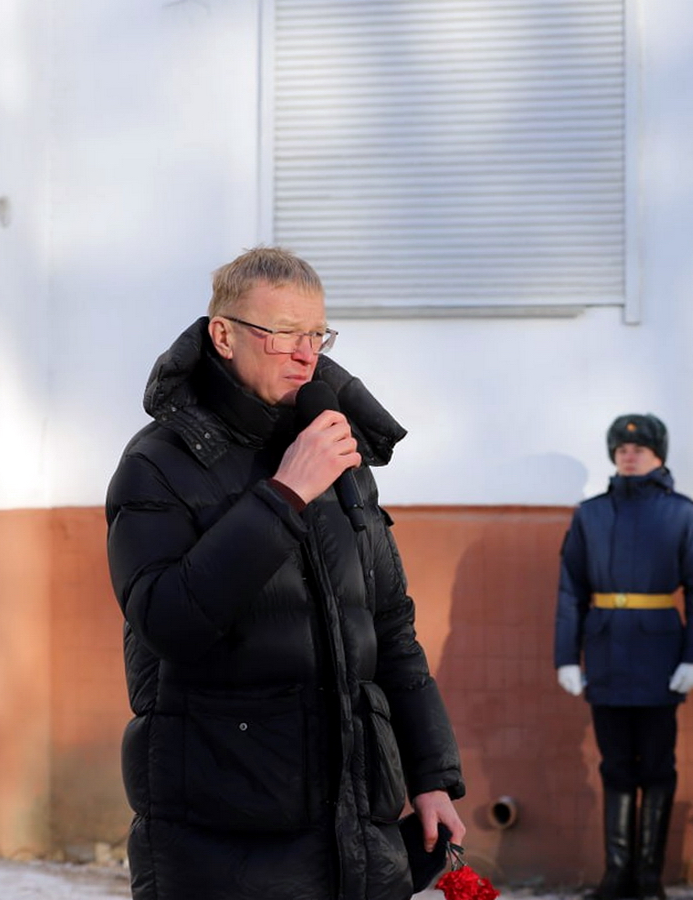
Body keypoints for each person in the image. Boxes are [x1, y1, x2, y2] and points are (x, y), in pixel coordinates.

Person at [105, 247, 466, 900]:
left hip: (357, 831)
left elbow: (389, 627)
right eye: (284, 334)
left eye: (318, 335)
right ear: (224, 336)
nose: (307, 355)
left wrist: (430, 775)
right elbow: (167, 622)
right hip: (223, 839)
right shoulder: (159, 464)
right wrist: (284, 496)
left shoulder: (337, 452)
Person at [554, 414, 693, 900]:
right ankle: (618, 873)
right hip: (605, 651)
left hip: (659, 654)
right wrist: (567, 656)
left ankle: (648, 876)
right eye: (622, 449)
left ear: (658, 455)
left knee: (658, 765)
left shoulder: (682, 514)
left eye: (640, 449)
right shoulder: (591, 515)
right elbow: (571, 591)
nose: (629, 456)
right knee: (615, 764)